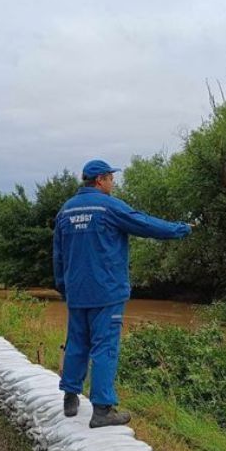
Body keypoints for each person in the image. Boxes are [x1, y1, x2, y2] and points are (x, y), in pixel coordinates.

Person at [53, 159, 192, 428]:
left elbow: (58, 254)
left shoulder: (66, 211)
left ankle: (70, 397)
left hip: (77, 291)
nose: (112, 183)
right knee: (105, 347)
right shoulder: (108, 207)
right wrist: (180, 229)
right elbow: (144, 223)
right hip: (106, 292)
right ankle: (103, 410)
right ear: (100, 180)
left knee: (77, 342)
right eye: (111, 179)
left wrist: (63, 286)